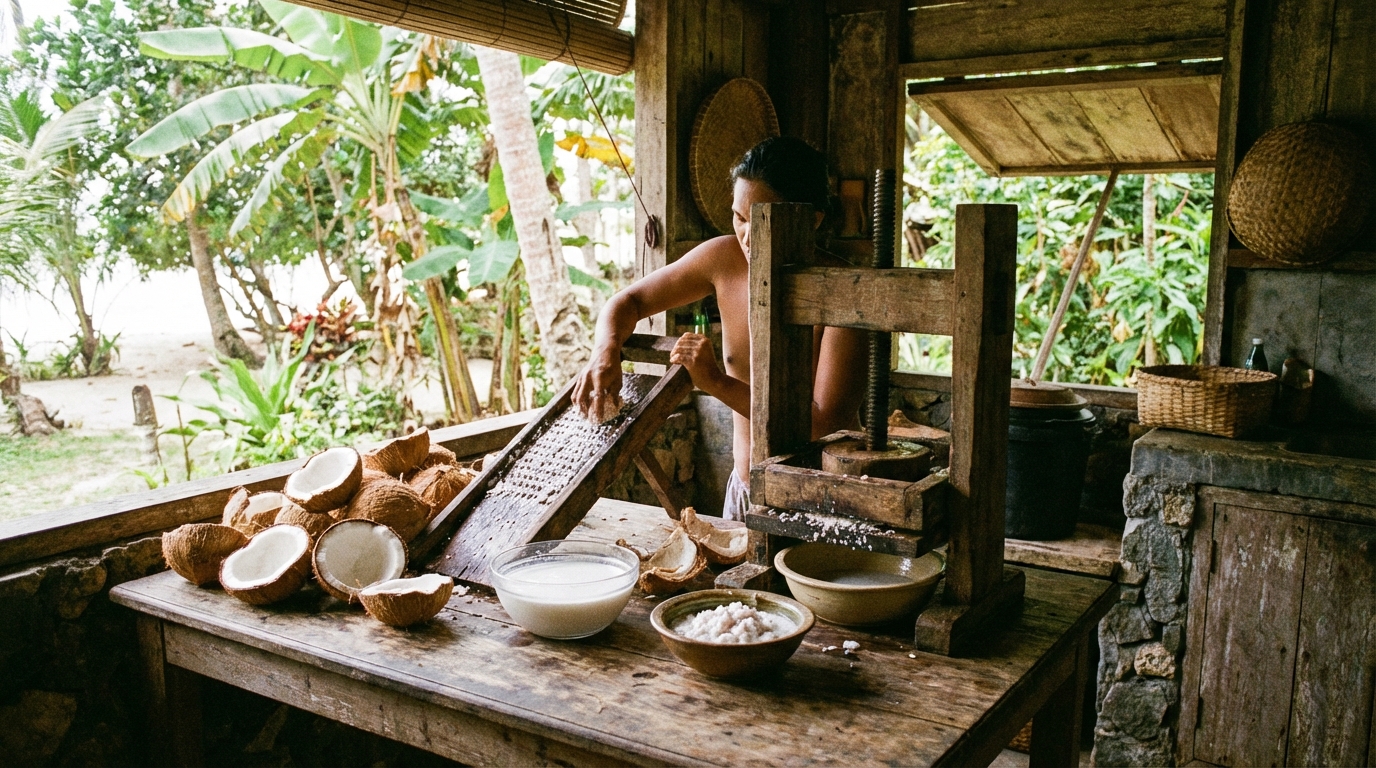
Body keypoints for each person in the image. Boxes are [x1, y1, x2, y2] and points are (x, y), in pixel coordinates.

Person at [572, 136, 868, 520]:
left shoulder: (846, 291)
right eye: (739, 217)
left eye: (762, 219)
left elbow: (824, 424)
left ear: (811, 219)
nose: (746, 235)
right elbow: (628, 302)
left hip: (821, 498)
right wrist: (605, 349)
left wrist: (713, 382)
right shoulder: (724, 260)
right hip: (744, 489)